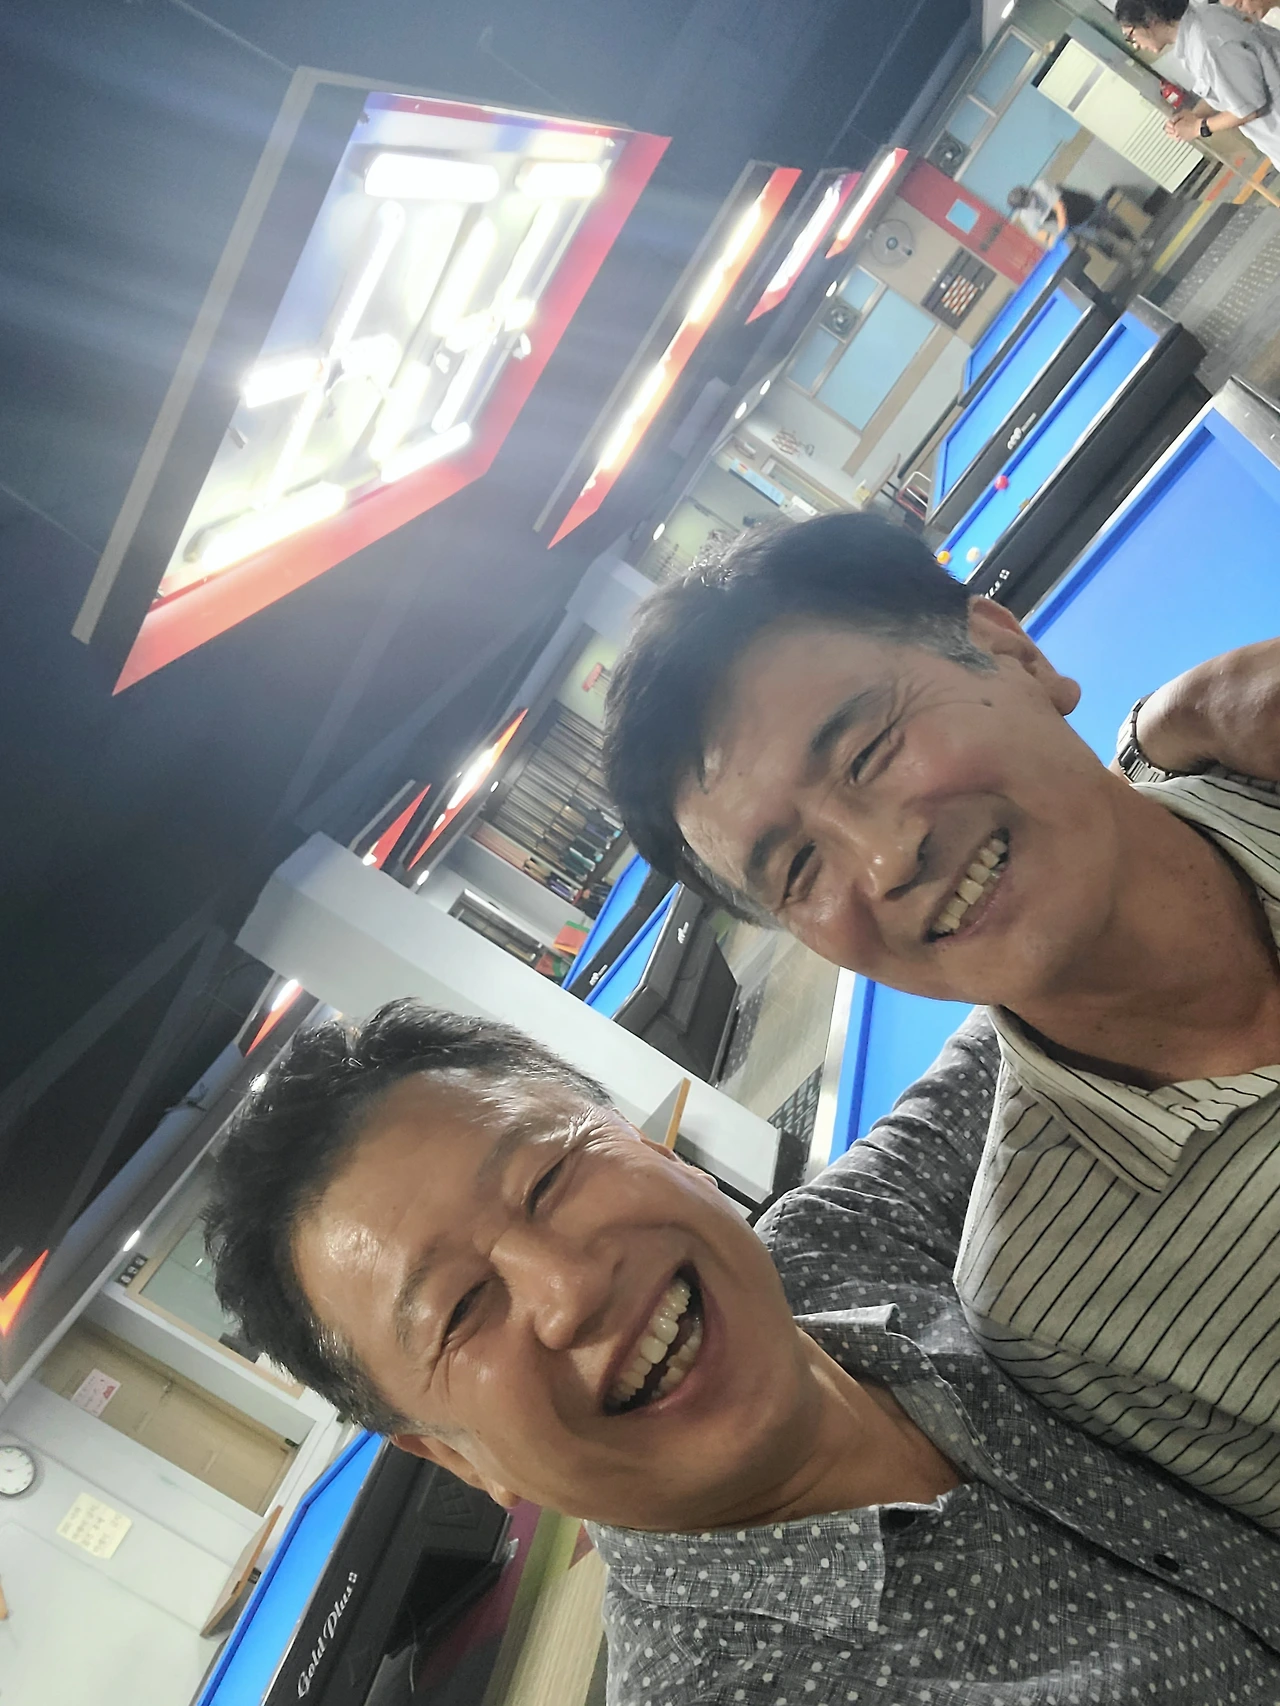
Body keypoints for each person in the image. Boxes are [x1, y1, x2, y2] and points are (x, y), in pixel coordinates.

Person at [206, 998, 1280, 1704]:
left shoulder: (825, 1256)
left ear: (657, 1148)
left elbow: (1043, 999)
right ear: (451, 1456)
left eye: (548, 1178)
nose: (570, 1289)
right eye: (460, 1309)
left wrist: (1162, 750)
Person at [604, 511, 1280, 1532]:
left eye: (869, 750)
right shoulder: (1059, 1307)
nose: (884, 862)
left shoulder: (1252, 731)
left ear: (1012, 651)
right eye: (798, 868)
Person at [1115, 0, 1280, 167]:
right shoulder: (1203, 21)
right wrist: (1195, 115)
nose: (1135, 45)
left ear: (1151, 20)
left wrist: (1198, 128)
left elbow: (1249, 109)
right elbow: (1228, 88)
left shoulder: (1207, 45)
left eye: (1131, 35)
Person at [1007, 180, 1135, 260]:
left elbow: (1059, 206)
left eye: (1029, 197)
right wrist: (1053, 241)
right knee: (1103, 243)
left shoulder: (1041, 186)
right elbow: (1037, 232)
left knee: (1113, 224)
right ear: (1021, 207)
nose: (1031, 201)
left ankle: (1137, 243)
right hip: (1076, 225)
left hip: (1085, 206)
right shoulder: (1026, 216)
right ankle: (1130, 261)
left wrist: (1062, 229)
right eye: (1026, 203)